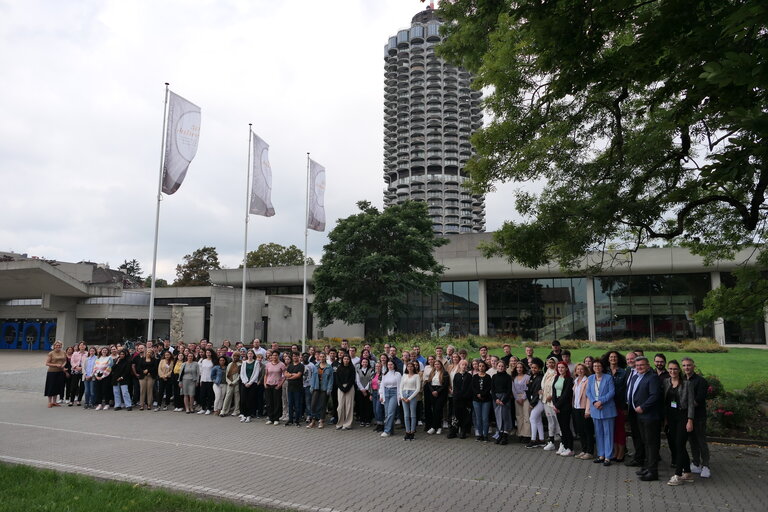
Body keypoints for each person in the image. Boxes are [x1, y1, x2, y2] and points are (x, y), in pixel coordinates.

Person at [663, 360, 696, 486]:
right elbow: (665, 402)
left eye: (675, 369)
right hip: (671, 417)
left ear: (679, 370)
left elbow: (691, 404)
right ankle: (687, 472)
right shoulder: (666, 382)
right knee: (678, 444)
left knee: (679, 445)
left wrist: (690, 420)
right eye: (670, 369)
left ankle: (678, 474)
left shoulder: (687, 384)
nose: (673, 371)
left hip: (683, 416)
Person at [629, 356, 661, 481]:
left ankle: (653, 472)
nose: (639, 367)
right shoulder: (636, 376)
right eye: (637, 366)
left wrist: (643, 406)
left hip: (649, 416)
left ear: (648, 365)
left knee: (652, 444)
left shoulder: (652, 378)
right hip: (639, 415)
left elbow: (655, 395)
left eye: (642, 365)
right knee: (645, 442)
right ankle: (647, 467)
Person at [682, 357, 711, 479]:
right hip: (686, 416)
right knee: (692, 440)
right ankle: (696, 463)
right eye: (684, 365)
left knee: (701, 441)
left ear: (694, 366)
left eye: (689, 365)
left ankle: (706, 466)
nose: (686, 368)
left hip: (698, 416)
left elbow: (698, 400)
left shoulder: (701, 381)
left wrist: (682, 404)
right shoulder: (681, 379)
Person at [586, 358, 616, 466]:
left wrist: (601, 401)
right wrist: (594, 402)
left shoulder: (608, 378)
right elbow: (588, 392)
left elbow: (612, 392)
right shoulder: (590, 378)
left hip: (606, 408)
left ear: (602, 367)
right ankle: (601, 455)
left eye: (598, 366)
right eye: (594, 366)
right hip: (595, 409)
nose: (597, 368)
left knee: (608, 433)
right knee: (598, 433)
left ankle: (608, 456)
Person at [603, 350, 628, 462]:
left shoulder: (623, 372)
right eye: (611, 357)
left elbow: (626, 390)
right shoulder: (605, 372)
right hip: (607, 405)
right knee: (611, 429)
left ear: (618, 359)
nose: (613, 359)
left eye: (615, 357)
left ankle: (621, 452)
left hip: (619, 405)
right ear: (608, 359)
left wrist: (625, 407)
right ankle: (613, 451)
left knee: (620, 429)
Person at [572, 363, 594, 459]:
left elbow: (589, 397)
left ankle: (590, 451)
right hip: (576, 408)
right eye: (578, 369)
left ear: (585, 371)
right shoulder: (576, 381)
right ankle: (584, 450)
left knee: (588, 431)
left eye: (582, 369)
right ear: (575, 371)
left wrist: (588, 411)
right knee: (580, 431)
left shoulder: (588, 381)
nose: (580, 371)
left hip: (585, 409)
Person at [552, 361, 574, 456]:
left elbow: (566, 394)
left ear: (566, 369)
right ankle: (564, 446)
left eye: (562, 367)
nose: (560, 369)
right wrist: (554, 404)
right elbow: (553, 391)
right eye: (559, 367)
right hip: (557, 404)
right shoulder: (557, 377)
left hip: (564, 406)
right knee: (561, 427)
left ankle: (570, 448)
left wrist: (557, 406)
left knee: (566, 427)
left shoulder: (569, 379)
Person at [308, 351, 334, 429]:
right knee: (313, 405)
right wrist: (311, 386)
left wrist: (329, 388)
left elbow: (331, 379)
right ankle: (313, 421)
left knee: (323, 405)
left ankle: (322, 421)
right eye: (320, 356)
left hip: (324, 388)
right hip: (316, 387)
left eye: (323, 356)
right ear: (318, 357)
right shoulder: (315, 366)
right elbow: (313, 377)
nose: (322, 358)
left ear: (325, 357)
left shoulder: (329, 367)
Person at [541, 357, 561, 450]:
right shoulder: (547, 372)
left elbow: (558, 387)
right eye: (549, 363)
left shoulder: (557, 374)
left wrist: (552, 396)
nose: (550, 364)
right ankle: (551, 441)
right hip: (546, 401)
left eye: (552, 362)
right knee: (550, 421)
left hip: (554, 401)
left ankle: (562, 442)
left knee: (558, 421)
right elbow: (544, 385)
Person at [424, 359, 449, 436]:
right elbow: (429, 383)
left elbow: (445, 385)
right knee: (434, 409)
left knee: (438, 409)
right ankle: (437, 427)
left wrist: (437, 391)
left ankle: (435, 427)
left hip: (441, 393)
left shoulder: (445, 373)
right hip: (433, 392)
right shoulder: (432, 372)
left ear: (441, 365)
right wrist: (432, 391)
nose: (436, 366)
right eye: (435, 364)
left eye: (438, 364)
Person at [450, 359, 473, 439]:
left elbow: (470, 387)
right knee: (456, 414)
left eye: (465, 365)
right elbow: (455, 387)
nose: (464, 366)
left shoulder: (469, 376)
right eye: (462, 365)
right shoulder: (457, 375)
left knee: (465, 415)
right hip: (457, 399)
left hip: (466, 399)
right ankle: (454, 430)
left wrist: (465, 395)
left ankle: (463, 431)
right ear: (459, 366)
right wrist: (458, 395)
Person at [491, 360, 513, 445]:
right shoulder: (494, 377)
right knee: (498, 416)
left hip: (505, 398)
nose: (501, 368)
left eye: (502, 366)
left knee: (505, 416)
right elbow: (492, 389)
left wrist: (504, 400)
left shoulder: (508, 377)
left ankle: (505, 434)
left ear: (505, 367)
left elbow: (509, 390)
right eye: (499, 366)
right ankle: (499, 433)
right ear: (497, 367)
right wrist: (496, 399)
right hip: (496, 398)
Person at [526, 358, 546, 448]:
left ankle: (533, 440)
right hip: (535, 401)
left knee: (532, 419)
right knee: (538, 420)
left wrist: (532, 404)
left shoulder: (539, 378)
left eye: (535, 368)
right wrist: (529, 384)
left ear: (540, 368)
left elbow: (536, 393)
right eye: (532, 367)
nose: (533, 369)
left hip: (538, 402)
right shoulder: (533, 376)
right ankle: (541, 439)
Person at [472, 360, 493, 442]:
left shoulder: (488, 377)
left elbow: (489, 388)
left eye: (482, 366)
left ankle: (485, 435)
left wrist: (482, 394)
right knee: (478, 418)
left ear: (485, 367)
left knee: (485, 418)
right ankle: (480, 434)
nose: (481, 367)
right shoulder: (475, 377)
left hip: (486, 400)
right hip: (476, 400)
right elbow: (473, 387)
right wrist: (477, 394)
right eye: (479, 366)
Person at [399, 361, 421, 440]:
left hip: (412, 395)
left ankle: (412, 432)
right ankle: (407, 431)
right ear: (406, 368)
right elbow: (401, 387)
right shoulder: (404, 375)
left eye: (411, 366)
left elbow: (418, 389)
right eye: (408, 366)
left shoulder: (416, 376)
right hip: (404, 394)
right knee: (406, 415)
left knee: (413, 415)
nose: (410, 368)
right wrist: (402, 397)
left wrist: (410, 398)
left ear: (413, 367)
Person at [379, 360, 401, 437]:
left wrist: (399, 396)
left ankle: (387, 430)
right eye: (388, 364)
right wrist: (381, 395)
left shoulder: (397, 374)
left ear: (394, 365)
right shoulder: (385, 374)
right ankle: (391, 430)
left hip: (394, 393)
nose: (390, 366)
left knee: (391, 412)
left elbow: (400, 385)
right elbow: (382, 385)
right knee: (387, 413)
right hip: (386, 393)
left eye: (391, 364)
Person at [334, 354, 356, 430]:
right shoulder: (339, 368)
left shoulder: (352, 368)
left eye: (347, 359)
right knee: (340, 406)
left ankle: (347, 424)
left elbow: (352, 379)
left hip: (349, 387)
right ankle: (340, 423)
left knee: (349, 406)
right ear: (342, 360)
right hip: (340, 388)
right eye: (344, 359)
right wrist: (342, 388)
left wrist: (347, 388)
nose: (346, 360)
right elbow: (337, 379)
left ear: (349, 360)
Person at [240, 349, 263, 423]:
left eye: (251, 353)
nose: (250, 355)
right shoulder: (244, 362)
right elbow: (242, 373)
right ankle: (243, 415)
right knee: (243, 399)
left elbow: (256, 374)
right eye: (248, 353)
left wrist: (250, 382)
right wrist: (245, 381)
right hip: (244, 383)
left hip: (252, 384)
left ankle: (249, 415)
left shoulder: (256, 363)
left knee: (250, 400)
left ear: (253, 355)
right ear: (247, 355)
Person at [512, 361, 531, 443]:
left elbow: (528, 388)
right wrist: (517, 398)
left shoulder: (527, 377)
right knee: (519, 416)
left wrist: (523, 398)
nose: (519, 369)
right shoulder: (514, 377)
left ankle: (527, 434)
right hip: (517, 398)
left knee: (526, 415)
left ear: (523, 368)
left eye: (520, 367)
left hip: (525, 397)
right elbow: (513, 389)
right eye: (517, 367)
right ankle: (520, 433)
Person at [44, 340, 67, 408]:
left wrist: (63, 365)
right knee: (51, 386)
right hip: (52, 372)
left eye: (59, 345)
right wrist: (56, 365)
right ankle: (49, 402)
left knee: (57, 387)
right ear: (54, 346)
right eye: (57, 345)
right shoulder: (51, 353)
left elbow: (65, 360)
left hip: (60, 372)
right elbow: (47, 363)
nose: (58, 346)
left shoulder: (63, 352)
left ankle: (54, 402)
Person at [285, 352, 306, 427]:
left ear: (298, 357)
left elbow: (298, 375)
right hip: (290, 388)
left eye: (296, 356)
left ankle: (297, 420)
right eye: (293, 356)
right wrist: (292, 374)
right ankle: (290, 420)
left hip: (298, 388)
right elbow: (285, 374)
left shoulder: (301, 366)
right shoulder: (290, 365)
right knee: (290, 404)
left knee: (297, 405)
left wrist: (290, 376)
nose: (295, 357)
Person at [137, 347, 159, 411]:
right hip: (143, 376)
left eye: (150, 352)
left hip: (151, 376)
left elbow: (155, 368)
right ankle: (141, 405)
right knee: (142, 390)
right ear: (145, 352)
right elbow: (138, 367)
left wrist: (148, 371)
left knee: (150, 390)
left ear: (152, 353)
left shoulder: (154, 360)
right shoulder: (142, 359)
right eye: (147, 352)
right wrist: (143, 371)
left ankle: (149, 404)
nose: (148, 353)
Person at [355, 357, 374, 427]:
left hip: (369, 390)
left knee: (368, 405)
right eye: (363, 362)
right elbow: (357, 381)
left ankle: (368, 420)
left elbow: (371, 380)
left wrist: (366, 389)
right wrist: (362, 389)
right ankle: (362, 420)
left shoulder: (371, 370)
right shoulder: (358, 370)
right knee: (361, 405)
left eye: (366, 362)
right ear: (361, 363)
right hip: (360, 391)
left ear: (368, 363)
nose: (364, 363)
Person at [221, 351, 241, 417]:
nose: (235, 357)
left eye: (237, 356)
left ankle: (236, 410)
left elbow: (240, 375)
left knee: (237, 397)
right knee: (227, 396)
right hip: (229, 383)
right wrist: (229, 382)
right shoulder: (230, 364)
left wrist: (234, 382)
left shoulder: (241, 364)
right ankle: (224, 411)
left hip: (237, 383)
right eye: (234, 356)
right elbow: (227, 375)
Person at [197, 348, 215, 415]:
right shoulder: (203, 360)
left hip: (210, 380)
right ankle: (203, 408)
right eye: (207, 353)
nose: (208, 354)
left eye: (209, 352)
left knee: (209, 395)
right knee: (202, 395)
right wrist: (201, 380)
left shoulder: (214, 361)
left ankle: (209, 408)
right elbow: (202, 371)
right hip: (203, 379)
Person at [370, 361, 385, 431]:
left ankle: (382, 424)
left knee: (378, 409)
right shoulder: (373, 374)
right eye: (376, 366)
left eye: (379, 366)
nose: (377, 368)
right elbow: (370, 385)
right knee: (374, 410)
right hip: (373, 393)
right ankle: (378, 424)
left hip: (380, 393)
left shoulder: (383, 375)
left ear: (381, 367)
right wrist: (370, 394)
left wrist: (381, 394)